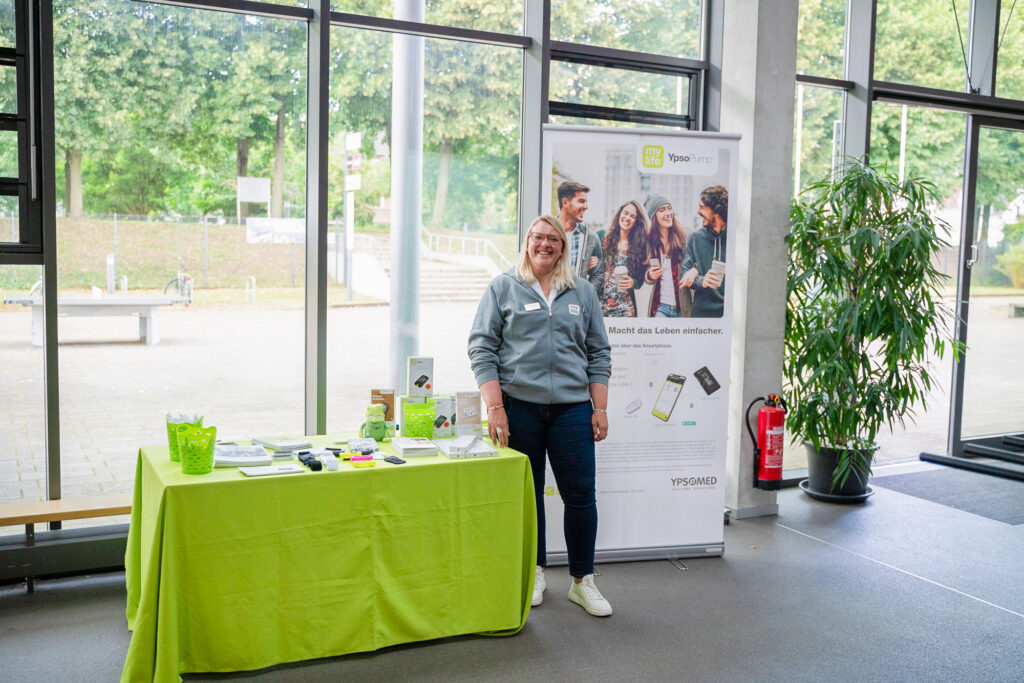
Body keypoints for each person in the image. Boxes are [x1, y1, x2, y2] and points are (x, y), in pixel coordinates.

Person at [467, 214, 613, 618]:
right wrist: (495, 407)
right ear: (527, 241)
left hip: (572, 411)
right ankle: (534, 571)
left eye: (553, 238)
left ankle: (583, 581)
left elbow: (599, 353)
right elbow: (482, 348)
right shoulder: (503, 287)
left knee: (581, 496)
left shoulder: (582, 292)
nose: (544, 244)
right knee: (528, 497)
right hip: (519, 409)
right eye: (538, 237)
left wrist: (599, 408)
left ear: (563, 247)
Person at [681, 185, 728, 318]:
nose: (698, 211)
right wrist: (702, 280)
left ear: (716, 211)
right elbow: (684, 273)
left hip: (727, 315)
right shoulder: (695, 237)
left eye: (702, 207)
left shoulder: (736, 238)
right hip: (700, 314)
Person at [643, 194, 691, 318]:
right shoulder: (650, 241)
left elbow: (695, 265)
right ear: (654, 216)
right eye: (662, 210)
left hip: (683, 305)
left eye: (669, 208)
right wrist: (650, 275)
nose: (668, 213)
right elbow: (647, 276)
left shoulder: (685, 234)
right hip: (661, 307)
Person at [599, 200, 649, 317]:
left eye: (632, 216)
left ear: (636, 222)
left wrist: (632, 282)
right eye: (625, 213)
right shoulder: (602, 236)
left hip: (625, 308)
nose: (627, 218)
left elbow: (640, 281)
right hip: (599, 305)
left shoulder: (638, 247)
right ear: (619, 214)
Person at [557, 181, 604, 292]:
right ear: (565, 203)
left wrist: (586, 296)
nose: (586, 207)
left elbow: (598, 274)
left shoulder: (591, 238)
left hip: (575, 303)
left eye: (586, 202)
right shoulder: (547, 232)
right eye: (581, 201)